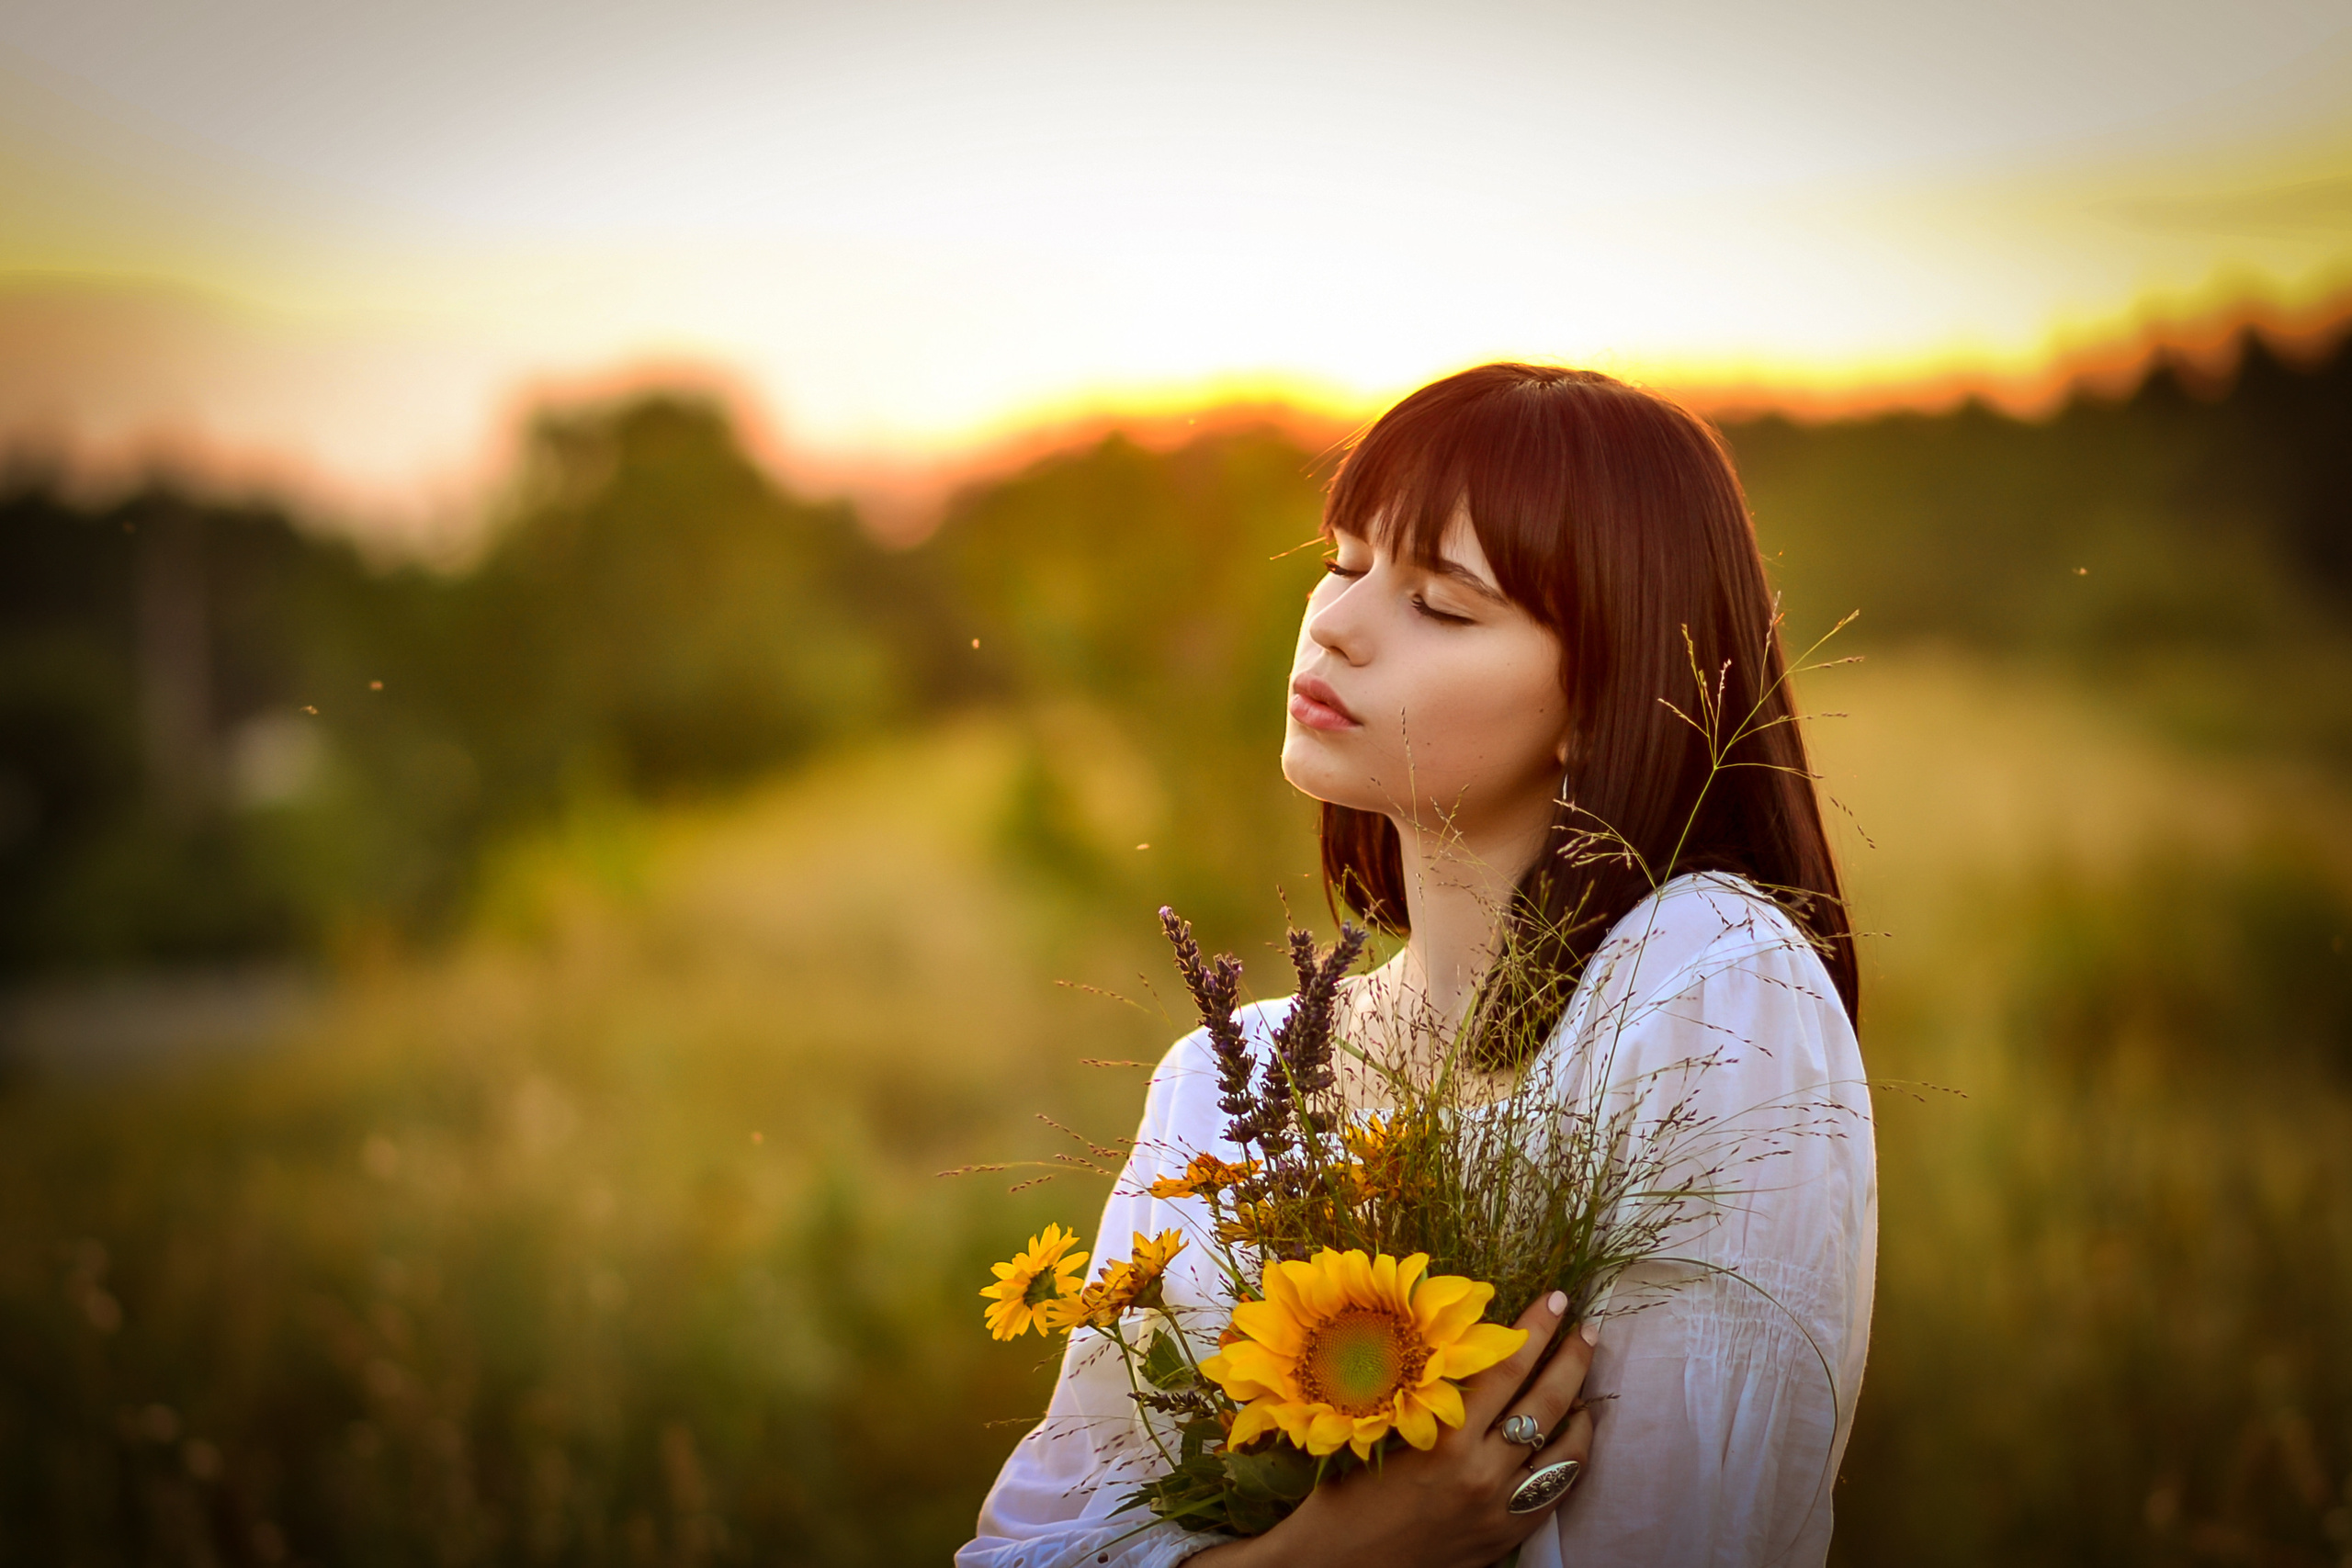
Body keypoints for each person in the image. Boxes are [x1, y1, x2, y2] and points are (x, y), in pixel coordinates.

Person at [959, 365, 1876, 1568]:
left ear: (1603, 697)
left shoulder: (1705, 982)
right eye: (1343, 562)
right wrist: (1336, 1553)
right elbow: (1022, 1552)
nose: (1334, 622)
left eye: (1442, 603)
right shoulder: (1221, 1083)